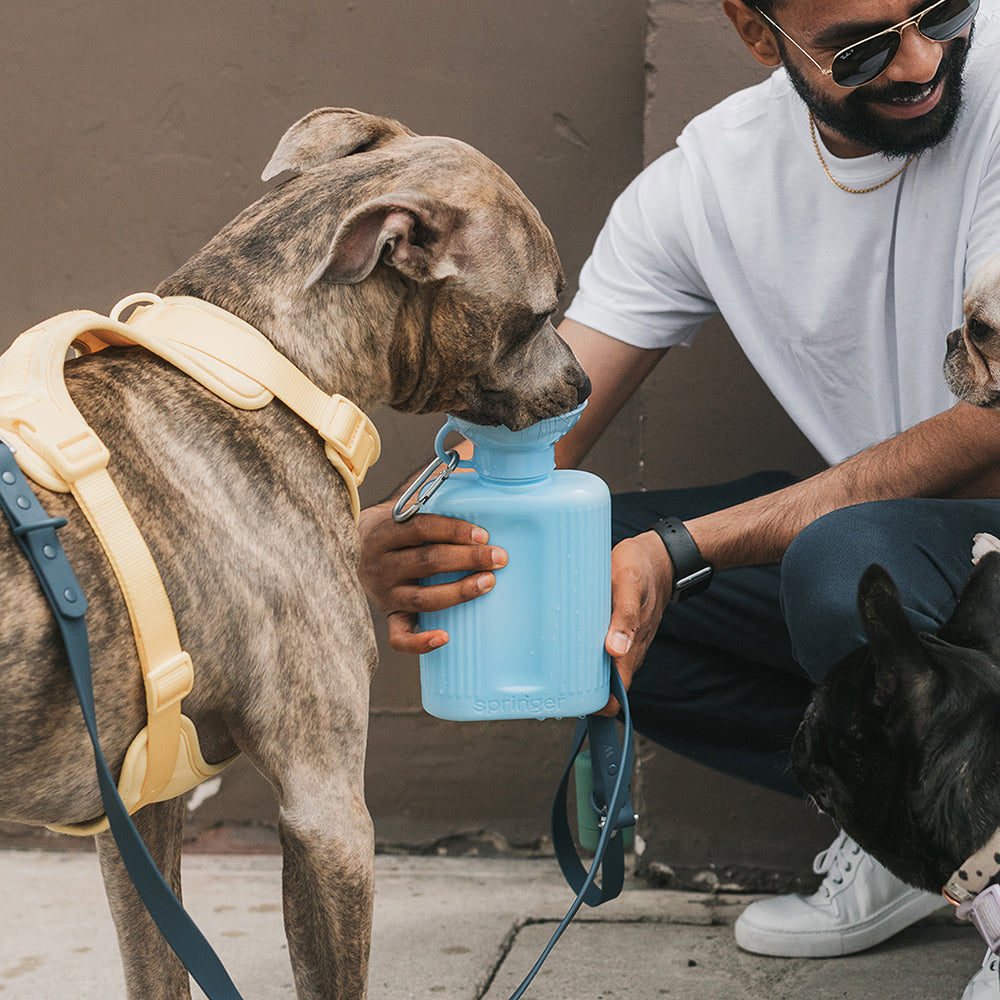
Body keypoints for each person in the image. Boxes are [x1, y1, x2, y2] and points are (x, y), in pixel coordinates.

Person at [358, 0, 1000, 995]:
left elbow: (993, 423)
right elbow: (533, 427)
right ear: (755, 32)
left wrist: (686, 546)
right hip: (913, 555)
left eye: (939, 9)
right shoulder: (708, 182)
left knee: (838, 560)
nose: (919, 59)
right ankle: (908, 825)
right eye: (861, 47)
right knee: (549, 576)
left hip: (949, 544)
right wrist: (393, 540)